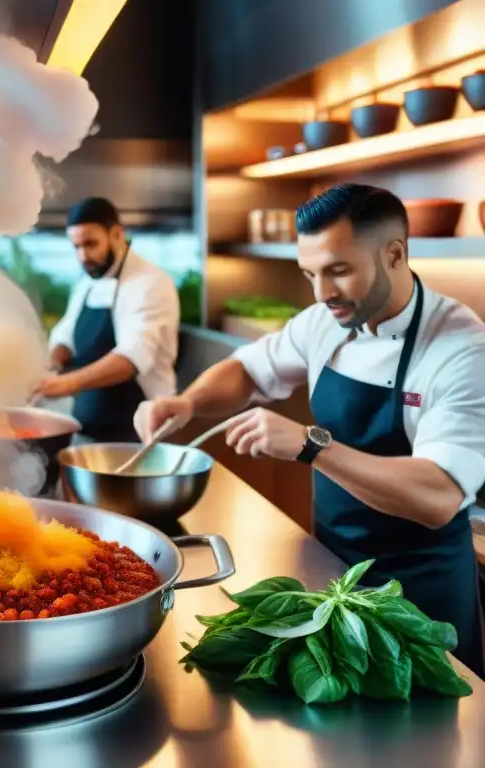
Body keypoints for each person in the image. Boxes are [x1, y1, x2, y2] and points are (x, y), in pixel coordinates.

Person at [136, 183, 485, 678]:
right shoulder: (326, 320)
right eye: (310, 273)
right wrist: (186, 402)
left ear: (395, 254)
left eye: (339, 270)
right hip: (336, 575)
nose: (322, 293)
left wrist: (310, 445)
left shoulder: (461, 349)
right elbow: (248, 371)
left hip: (422, 595)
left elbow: (437, 497)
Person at [34, 197, 180, 442]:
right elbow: (66, 336)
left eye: (91, 244)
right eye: (76, 247)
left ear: (117, 235)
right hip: (90, 430)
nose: (83, 256)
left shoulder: (150, 284)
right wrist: (52, 364)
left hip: (141, 432)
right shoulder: (87, 284)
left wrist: (61, 385)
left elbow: (131, 358)